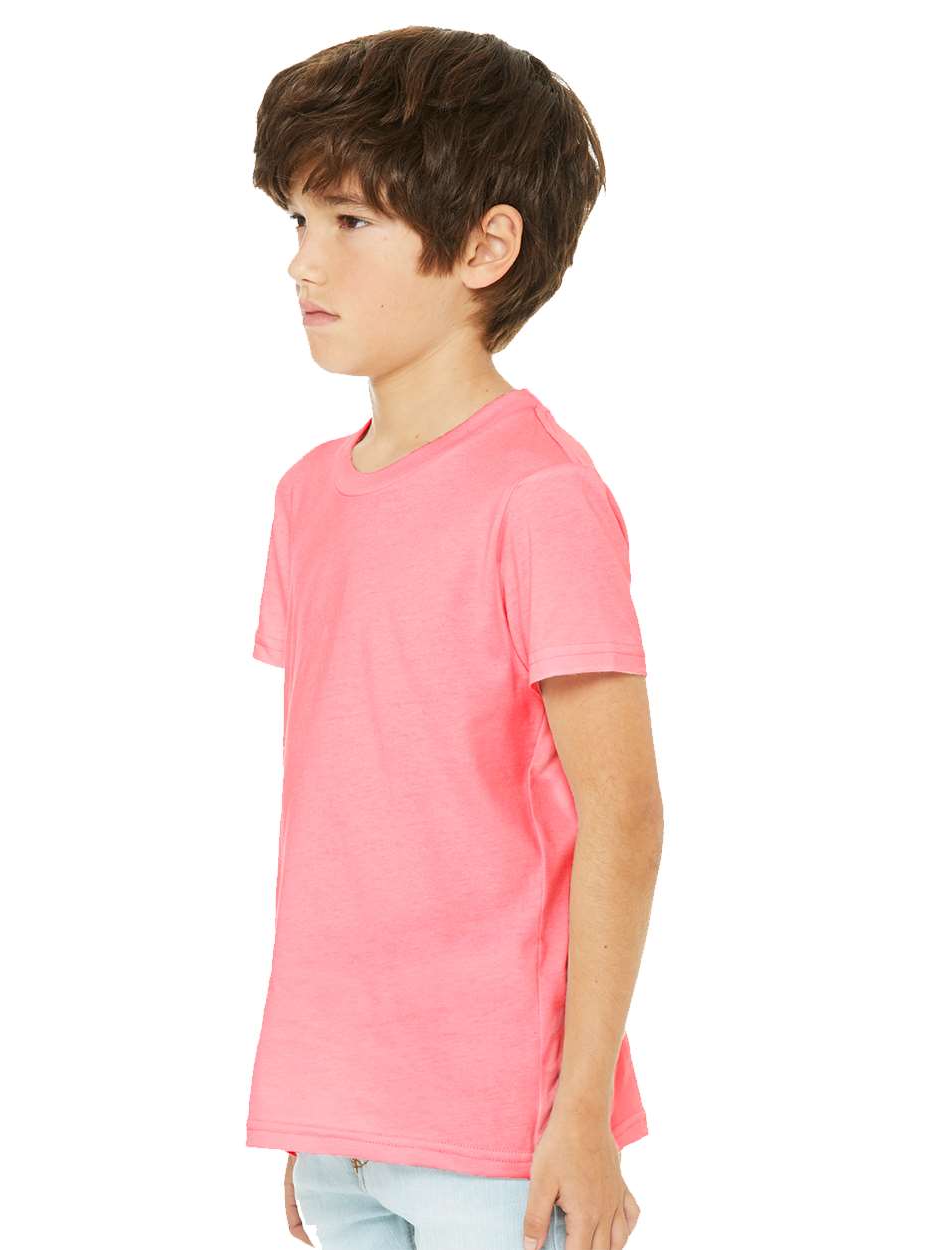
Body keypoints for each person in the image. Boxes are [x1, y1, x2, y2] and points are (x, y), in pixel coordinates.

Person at [245, 25, 664, 1250]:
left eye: (350, 220)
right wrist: (319, 1111)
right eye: (297, 219)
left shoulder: (538, 497)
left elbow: (624, 814)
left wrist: (580, 1111)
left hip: (500, 1134)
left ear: (485, 246)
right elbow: (344, 821)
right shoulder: (307, 498)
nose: (303, 259)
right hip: (340, 1123)